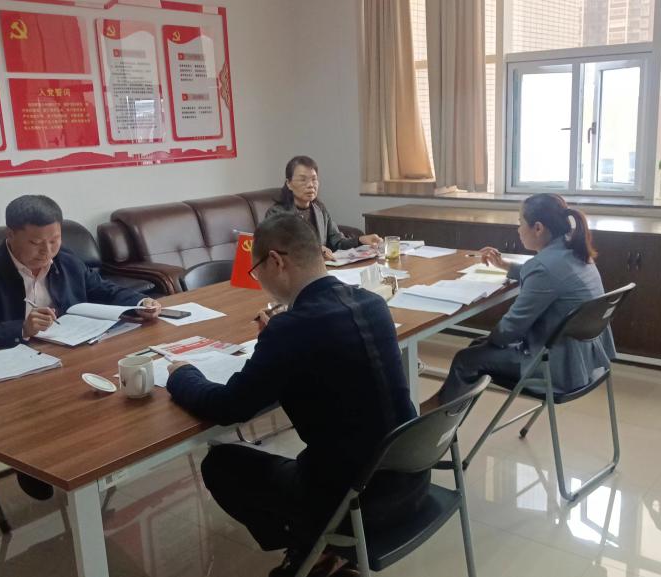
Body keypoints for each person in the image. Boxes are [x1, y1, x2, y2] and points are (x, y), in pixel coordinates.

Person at [166, 215, 425, 577]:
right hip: (411, 481)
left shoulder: (291, 330)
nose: (259, 283)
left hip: (355, 503)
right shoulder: (372, 303)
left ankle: (311, 547)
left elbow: (228, 407)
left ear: (276, 261)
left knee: (220, 465)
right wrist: (276, 342)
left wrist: (182, 374)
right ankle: (320, 551)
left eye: (256, 272)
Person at [0, 194, 161, 499]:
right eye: (35, 243)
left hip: (71, 360)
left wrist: (140, 302)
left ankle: (93, 457)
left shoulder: (65, 260)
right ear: (10, 235)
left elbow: (102, 290)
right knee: (54, 414)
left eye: (54, 240)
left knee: (119, 400)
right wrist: (20, 328)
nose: (47, 251)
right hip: (17, 377)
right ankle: (35, 460)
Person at [423, 193, 616, 413]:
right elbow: (550, 277)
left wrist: (493, 340)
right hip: (585, 360)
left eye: (520, 223)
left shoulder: (543, 267)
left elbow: (509, 331)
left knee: (466, 359)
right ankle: (445, 409)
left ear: (538, 228)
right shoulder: (574, 250)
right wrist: (504, 265)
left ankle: (438, 418)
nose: (518, 229)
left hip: (556, 369)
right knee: (478, 347)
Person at [265, 155, 382, 261]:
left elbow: (337, 242)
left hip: (323, 269)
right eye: (303, 179)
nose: (310, 185)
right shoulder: (276, 214)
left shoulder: (319, 210)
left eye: (314, 179)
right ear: (289, 183)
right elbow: (281, 249)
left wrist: (361, 240)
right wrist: (315, 250)